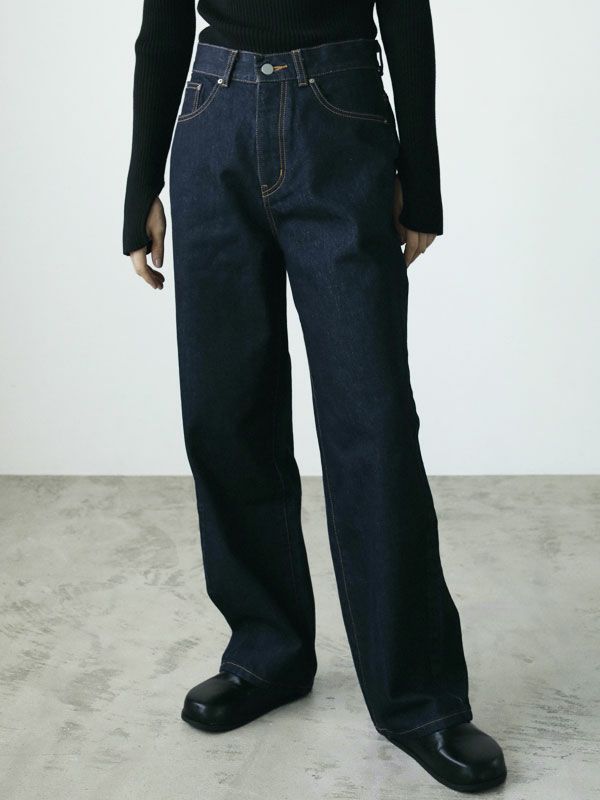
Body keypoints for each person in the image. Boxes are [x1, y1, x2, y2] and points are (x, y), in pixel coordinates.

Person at [123, 1, 507, 792]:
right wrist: (141, 186)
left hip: (338, 109)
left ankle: (420, 699)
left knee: (372, 422)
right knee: (226, 412)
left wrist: (423, 180)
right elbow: (162, 24)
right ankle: (266, 653)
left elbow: (405, 10)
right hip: (212, 111)